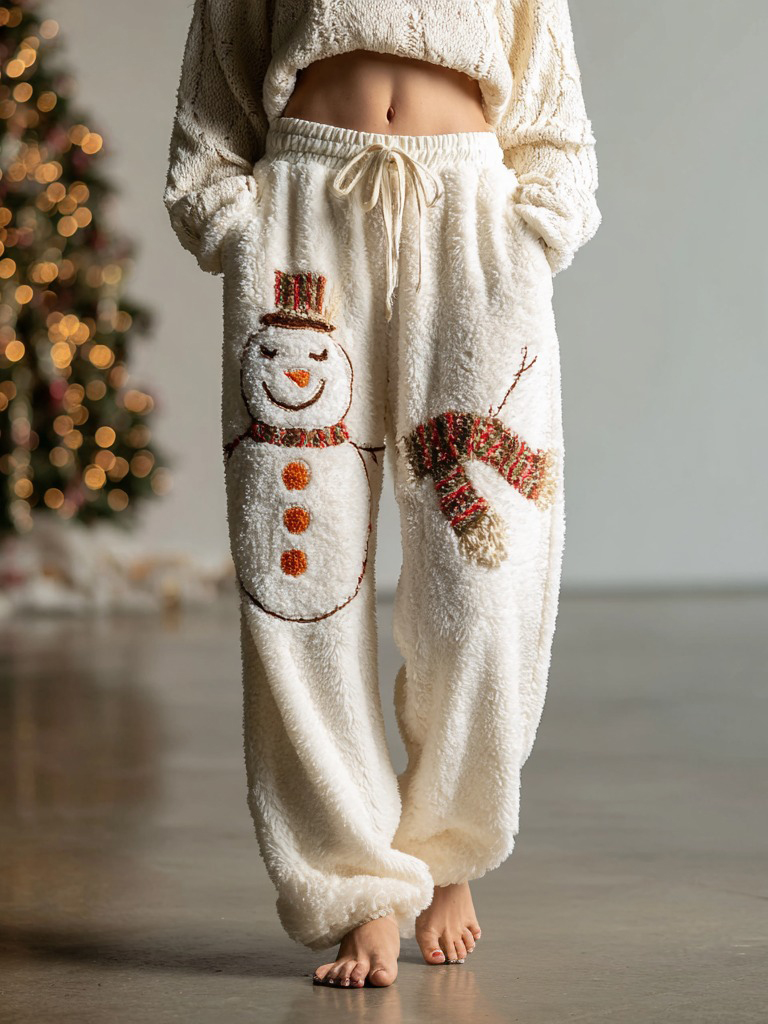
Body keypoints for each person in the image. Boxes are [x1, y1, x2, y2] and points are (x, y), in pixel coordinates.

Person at [163, 0, 601, 991]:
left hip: (471, 222)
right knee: (301, 577)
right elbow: (217, 83)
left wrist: (533, 226)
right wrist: (236, 219)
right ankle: (357, 880)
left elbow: (549, 93)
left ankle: (451, 846)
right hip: (304, 218)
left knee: (484, 574)